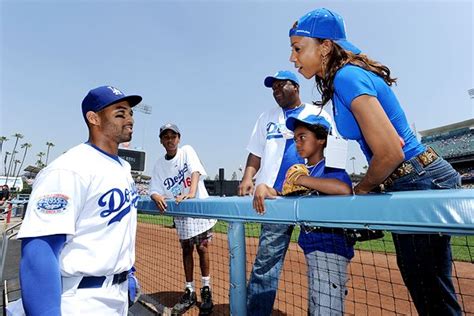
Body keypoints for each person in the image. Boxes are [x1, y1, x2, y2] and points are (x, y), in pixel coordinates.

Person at [288, 8, 462, 315]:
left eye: (298, 48)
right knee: (430, 291)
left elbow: (390, 152)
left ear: (325, 46)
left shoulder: (347, 76)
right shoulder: (345, 76)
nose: (293, 57)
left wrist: (363, 188)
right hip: (415, 179)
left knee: (431, 295)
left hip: (417, 179)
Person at [17, 85, 142, 315]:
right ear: (93, 118)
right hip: (81, 299)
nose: (130, 119)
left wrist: (128, 274)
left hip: (117, 295)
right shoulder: (69, 169)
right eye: (120, 113)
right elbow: (40, 250)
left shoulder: (123, 168)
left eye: (130, 113)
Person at [238, 70, 332, 315]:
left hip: (313, 199)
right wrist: (248, 177)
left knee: (322, 263)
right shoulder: (266, 116)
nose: (276, 90)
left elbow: (332, 152)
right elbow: (255, 153)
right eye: (273, 88)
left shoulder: (317, 113)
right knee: (265, 265)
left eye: (281, 86)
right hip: (274, 198)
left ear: (296, 87)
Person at [254, 113, 353, 315]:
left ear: (321, 139)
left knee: (327, 309)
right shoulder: (304, 170)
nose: (297, 143)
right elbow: (282, 192)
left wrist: (302, 180)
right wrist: (264, 187)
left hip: (332, 251)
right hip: (313, 249)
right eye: (295, 138)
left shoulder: (330, 167)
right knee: (316, 306)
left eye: (302, 137)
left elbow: (343, 189)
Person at [149, 123, 217, 315]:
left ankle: (206, 288)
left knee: (203, 248)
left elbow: (195, 171)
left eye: (173, 136)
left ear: (179, 138)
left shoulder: (187, 151)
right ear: (161, 141)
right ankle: (189, 290)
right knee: (186, 249)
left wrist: (191, 193)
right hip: (181, 213)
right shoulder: (159, 164)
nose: (170, 140)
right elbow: (154, 188)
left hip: (197, 209)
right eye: (166, 137)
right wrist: (155, 196)